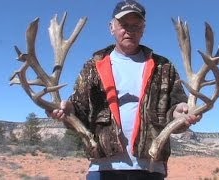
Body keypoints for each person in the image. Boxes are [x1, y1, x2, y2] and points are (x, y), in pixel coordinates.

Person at [51, 1, 201, 179]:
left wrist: (181, 113)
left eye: (136, 25)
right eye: (123, 25)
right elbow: (80, 111)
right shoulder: (93, 67)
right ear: (111, 27)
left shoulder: (163, 67)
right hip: (104, 167)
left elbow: (176, 109)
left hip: (150, 167)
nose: (130, 30)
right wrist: (68, 110)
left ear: (143, 28)